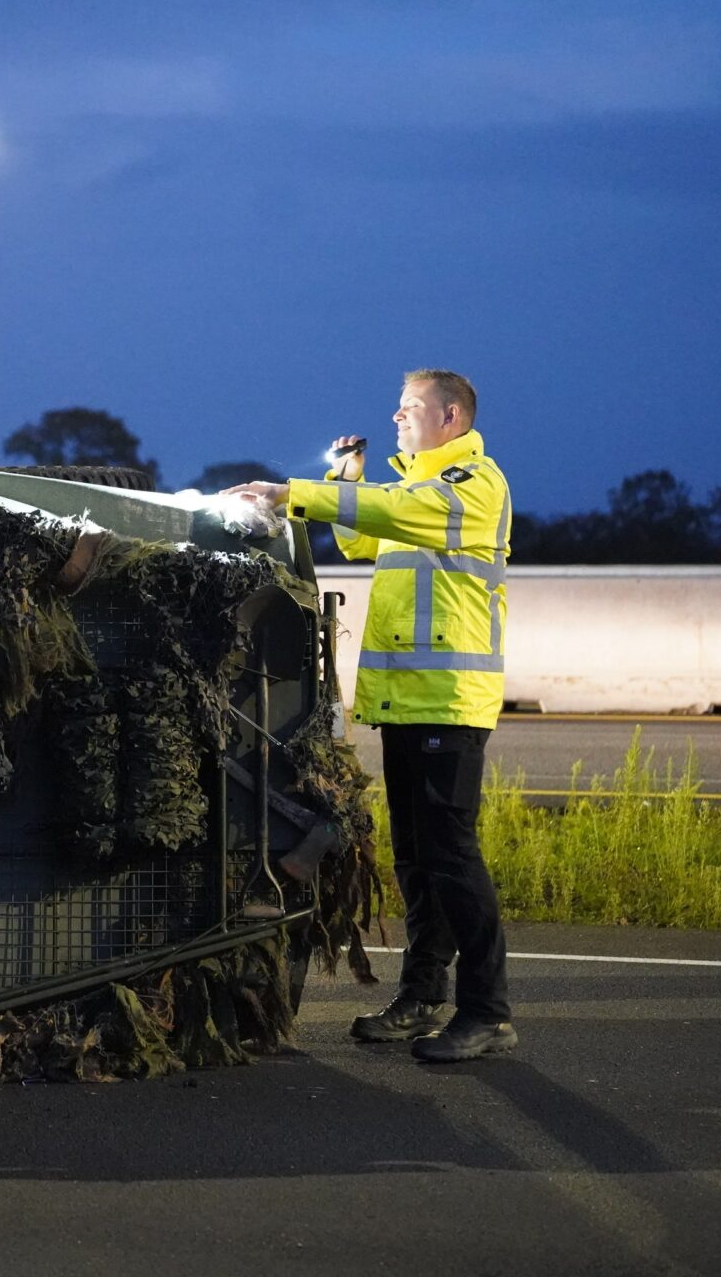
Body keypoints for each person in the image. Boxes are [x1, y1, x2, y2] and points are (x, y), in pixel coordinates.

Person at [226, 369, 516, 1062]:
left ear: (451, 417)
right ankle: (422, 998)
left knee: (452, 858)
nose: (395, 418)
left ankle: (488, 1011)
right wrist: (348, 481)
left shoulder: (472, 485)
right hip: (411, 704)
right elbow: (365, 537)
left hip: (450, 702)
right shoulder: (417, 488)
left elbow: (395, 512)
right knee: (419, 861)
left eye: (409, 408)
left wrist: (294, 492)